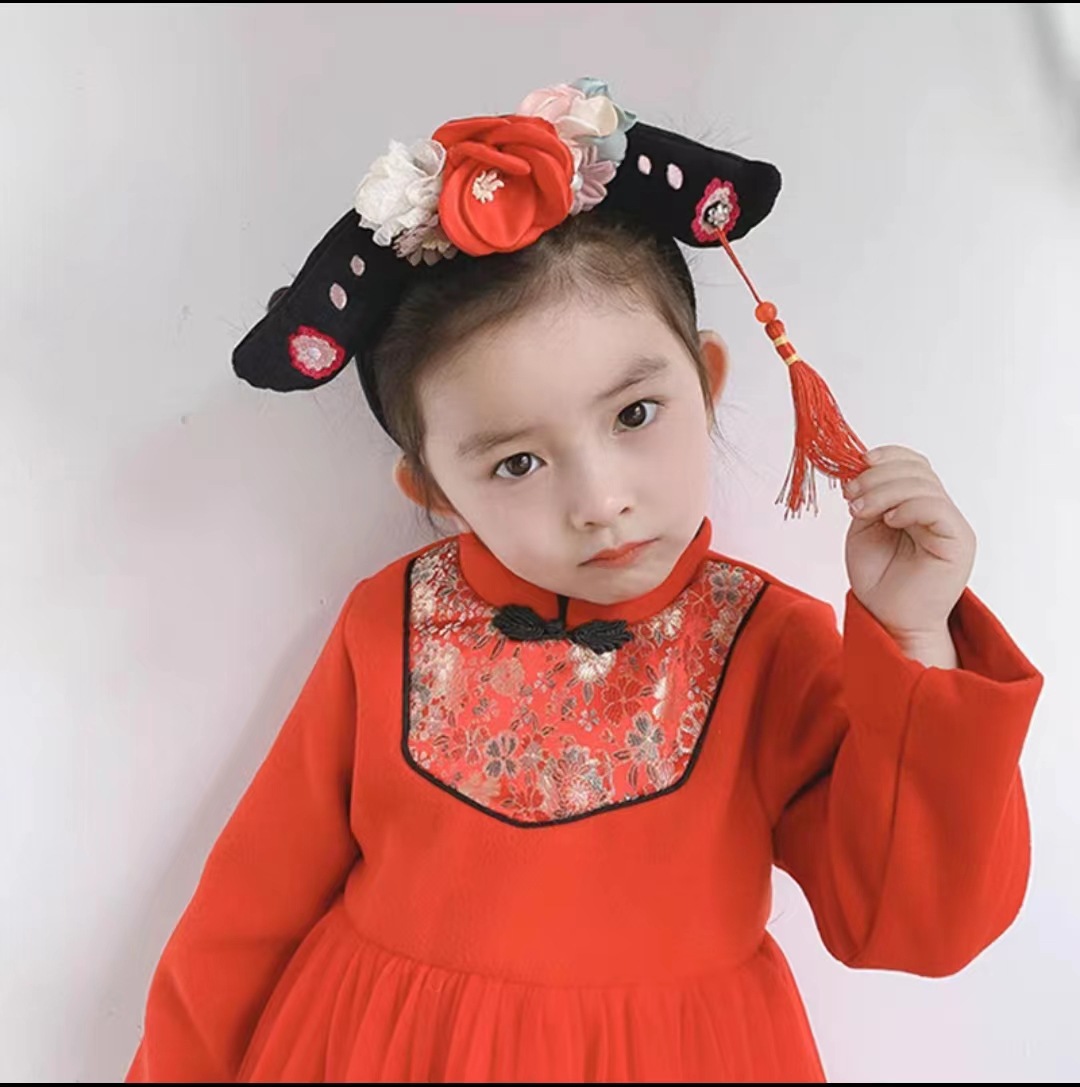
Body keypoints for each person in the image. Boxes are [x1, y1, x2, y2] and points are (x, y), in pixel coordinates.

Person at [126, 78, 1044, 1082]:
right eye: (517, 463)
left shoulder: (766, 643)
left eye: (634, 414)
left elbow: (914, 923)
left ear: (708, 381)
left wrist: (914, 636)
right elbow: (250, 907)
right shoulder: (392, 621)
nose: (600, 500)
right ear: (435, 492)